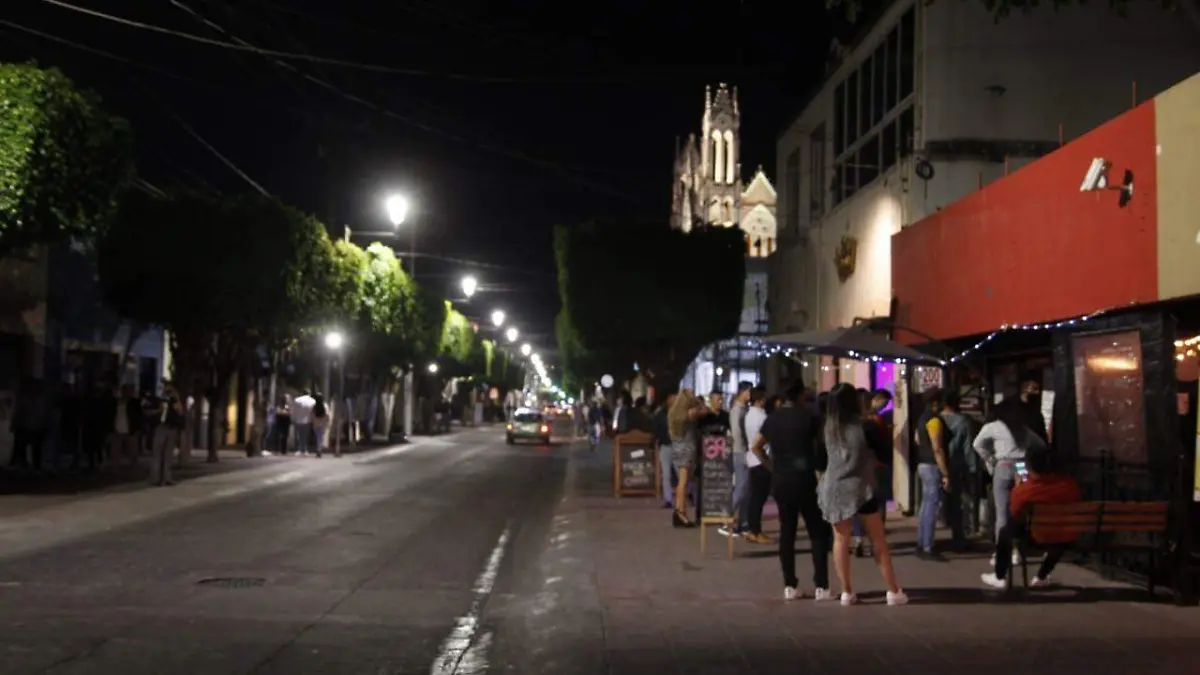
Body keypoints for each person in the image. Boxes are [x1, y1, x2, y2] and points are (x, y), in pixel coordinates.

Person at [818, 383, 907, 606]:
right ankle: (893, 590)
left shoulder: (827, 427)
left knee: (840, 540)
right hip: (861, 488)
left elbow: (821, 459)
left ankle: (847, 592)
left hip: (834, 488)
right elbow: (883, 454)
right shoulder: (866, 427)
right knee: (878, 541)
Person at [750, 382, 831, 601]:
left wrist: (772, 466)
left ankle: (790, 584)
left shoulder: (773, 419)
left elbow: (756, 446)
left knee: (787, 533)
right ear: (799, 396)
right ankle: (822, 585)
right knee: (817, 532)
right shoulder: (810, 417)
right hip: (805, 480)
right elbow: (822, 446)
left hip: (782, 481)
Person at [981, 445, 1081, 588]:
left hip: (1033, 539)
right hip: (1064, 534)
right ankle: (1042, 575)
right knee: (1058, 536)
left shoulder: (1026, 490)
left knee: (1005, 531)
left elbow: (1015, 512)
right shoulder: (1070, 485)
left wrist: (1018, 487)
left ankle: (1000, 576)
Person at [974, 397, 1046, 565]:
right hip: (1021, 467)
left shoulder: (992, 427)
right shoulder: (1023, 430)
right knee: (1020, 511)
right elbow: (1040, 445)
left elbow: (977, 444)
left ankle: (1002, 552)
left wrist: (990, 460)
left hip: (1003, 465)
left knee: (1002, 513)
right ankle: (1019, 551)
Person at [854, 388, 894, 557]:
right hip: (879, 465)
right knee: (879, 502)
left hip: (859, 468)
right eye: (882, 403)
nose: (883, 406)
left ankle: (859, 539)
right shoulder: (875, 422)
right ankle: (876, 539)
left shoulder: (853, 423)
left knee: (859, 504)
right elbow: (880, 445)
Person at [914, 388, 950, 559]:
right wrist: (945, 473)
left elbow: (917, 439)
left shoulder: (922, 417)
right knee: (931, 506)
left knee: (925, 506)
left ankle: (921, 542)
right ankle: (928, 546)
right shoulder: (934, 421)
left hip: (922, 464)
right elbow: (937, 448)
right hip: (932, 466)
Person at [667, 390, 710, 528]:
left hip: (677, 449)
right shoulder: (689, 414)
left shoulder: (674, 414)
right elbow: (705, 411)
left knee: (681, 482)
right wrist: (699, 403)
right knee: (683, 483)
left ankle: (680, 511)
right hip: (686, 450)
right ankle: (680, 512)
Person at [940, 390, 976, 549]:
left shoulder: (936, 419)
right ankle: (959, 536)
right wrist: (973, 467)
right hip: (957, 464)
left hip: (938, 463)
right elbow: (968, 447)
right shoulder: (963, 421)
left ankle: (929, 540)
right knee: (959, 502)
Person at [722, 382, 754, 538]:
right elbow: (737, 434)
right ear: (743, 392)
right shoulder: (737, 410)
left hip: (743, 452)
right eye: (749, 391)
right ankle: (726, 518)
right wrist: (745, 452)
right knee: (741, 487)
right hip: (740, 452)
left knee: (747, 489)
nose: (751, 394)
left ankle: (743, 523)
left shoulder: (744, 409)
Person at [741, 386, 772, 544]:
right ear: (761, 399)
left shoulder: (749, 415)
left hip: (752, 459)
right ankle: (755, 530)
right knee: (759, 498)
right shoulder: (762, 417)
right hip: (762, 459)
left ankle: (753, 529)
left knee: (755, 497)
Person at [150, 385, 185, 486]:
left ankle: (167, 477)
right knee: (158, 453)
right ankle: (156, 478)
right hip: (161, 427)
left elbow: (180, 412)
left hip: (172, 428)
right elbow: (150, 412)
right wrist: (158, 411)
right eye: (168, 391)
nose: (169, 394)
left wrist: (176, 400)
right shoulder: (158, 401)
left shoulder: (175, 402)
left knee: (168, 454)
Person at [654, 393, 677, 509]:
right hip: (665, 445)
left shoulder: (680, 413)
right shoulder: (661, 415)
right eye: (672, 397)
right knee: (666, 474)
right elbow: (656, 429)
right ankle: (668, 499)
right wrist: (654, 442)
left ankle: (689, 494)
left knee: (682, 473)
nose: (674, 400)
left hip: (678, 446)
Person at [291, 389, 316, 456]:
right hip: (308, 420)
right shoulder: (313, 401)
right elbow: (313, 412)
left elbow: (294, 411)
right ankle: (305, 449)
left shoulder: (297, 400)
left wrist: (293, 418)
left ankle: (299, 449)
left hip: (298, 420)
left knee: (299, 435)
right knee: (305, 436)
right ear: (309, 393)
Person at [312, 394, 330, 458]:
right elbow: (327, 414)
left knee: (318, 437)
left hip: (316, 423)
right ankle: (319, 449)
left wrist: (314, 421)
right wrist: (327, 421)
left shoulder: (314, 406)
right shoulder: (325, 405)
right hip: (323, 422)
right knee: (321, 437)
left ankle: (318, 449)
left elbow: (312, 414)